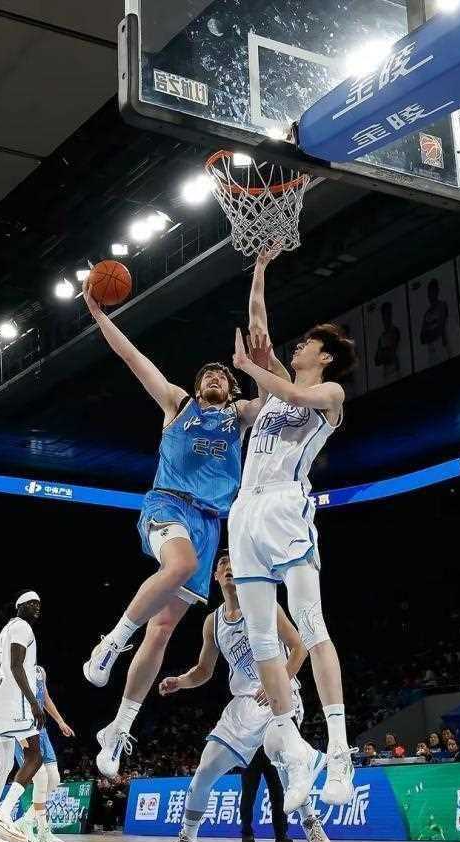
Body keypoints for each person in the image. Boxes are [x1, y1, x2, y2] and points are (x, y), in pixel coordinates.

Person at [80, 280, 271, 778]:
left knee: (163, 630)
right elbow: (132, 357)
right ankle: (111, 641)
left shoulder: (241, 417)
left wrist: (255, 360)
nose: (215, 378)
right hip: (168, 504)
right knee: (179, 564)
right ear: (197, 384)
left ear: (231, 388)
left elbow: (275, 394)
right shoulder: (176, 404)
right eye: (208, 374)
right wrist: (98, 314)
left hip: (208, 523)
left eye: (222, 375)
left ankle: (118, 729)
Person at [226, 248, 358, 814]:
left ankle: (340, 749)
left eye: (307, 343)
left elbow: (294, 393)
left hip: (286, 507)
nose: (296, 346)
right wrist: (259, 271)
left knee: (310, 623)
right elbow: (259, 331)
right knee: (262, 640)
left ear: (324, 356)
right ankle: (296, 748)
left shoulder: (329, 395)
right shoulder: (273, 386)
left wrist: (250, 367)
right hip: (244, 512)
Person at [159, 553, 332, 842]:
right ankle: (187, 840)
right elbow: (203, 671)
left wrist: (278, 681)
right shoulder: (212, 623)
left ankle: (311, 824)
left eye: (233, 562)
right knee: (205, 770)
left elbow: (299, 647)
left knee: (280, 753)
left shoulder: (265, 603)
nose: (228, 567)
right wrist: (181, 681)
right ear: (215, 576)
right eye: (222, 564)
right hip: (243, 705)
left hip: (279, 695)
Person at [0, 592, 46, 842]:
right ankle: (4, 813)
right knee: (35, 756)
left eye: (39, 604)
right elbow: (16, 665)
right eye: (31, 604)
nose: (37, 607)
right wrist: (33, 702)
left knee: (5, 762)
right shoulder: (22, 627)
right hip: (13, 702)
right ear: (19, 607)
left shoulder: (6, 630)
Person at [13, 666, 75, 842]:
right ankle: (42, 830)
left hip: (41, 731)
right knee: (40, 779)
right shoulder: (14, 669)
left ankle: (26, 821)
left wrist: (60, 721)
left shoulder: (40, 671)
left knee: (54, 779)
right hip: (23, 729)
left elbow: (45, 698)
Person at [240, 747, 292, 842]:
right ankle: (246, 832)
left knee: (278, 794)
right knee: (248, 794)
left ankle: (281, 833)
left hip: (272, 751)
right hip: (251, 750)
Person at [419, 278, 450, 365]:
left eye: (433, 290)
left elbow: (440, 329)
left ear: (437, 291)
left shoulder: (442, 305)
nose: (431, 293)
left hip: (442, 348)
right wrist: (431, 334)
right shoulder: (427, 314)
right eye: (429, 291)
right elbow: (422, 338)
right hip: (431, 353)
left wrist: (429, 334)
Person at [373, 301, 401, 379]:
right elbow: (376, 361)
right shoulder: (381, 337)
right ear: (382, 317)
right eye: (385, 314)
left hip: (395, 372)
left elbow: (391, 355)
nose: (387, 317)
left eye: (389, 314)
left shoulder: (395, 331)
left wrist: (383, 354)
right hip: (386, 374)